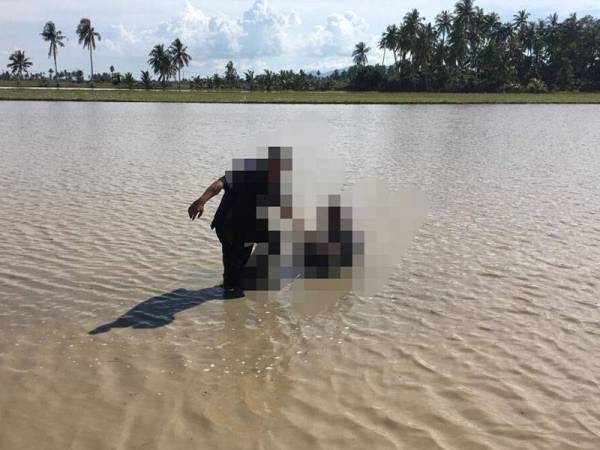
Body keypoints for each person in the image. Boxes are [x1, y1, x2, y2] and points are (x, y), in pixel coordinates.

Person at [188, 147, 291, 297]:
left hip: (227, 226)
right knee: (239, 259)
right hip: (239, 229)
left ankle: (231, 285)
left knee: (232, 258)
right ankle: (234, 293)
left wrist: (201, 201)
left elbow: (219, 184)